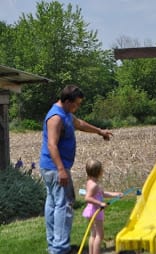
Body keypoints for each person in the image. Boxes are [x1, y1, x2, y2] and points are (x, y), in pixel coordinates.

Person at [39, 84, 113, 254]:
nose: (77, 107)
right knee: (64, 206)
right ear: (66, 101)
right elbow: (52, 145)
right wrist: (61, 170)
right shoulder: (56, 117)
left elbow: (79, 123)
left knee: (53, 204)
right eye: (76, 104)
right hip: (55, 168)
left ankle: (54, 246)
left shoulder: (65, 113)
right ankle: (60, 248)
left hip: (53, 168)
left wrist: (99, 131)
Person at [82, 159, 123, 254]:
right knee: (100, 236)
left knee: (93, 234)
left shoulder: (90, 182)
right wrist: (100, 204)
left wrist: (116, 194)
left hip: (90, 210)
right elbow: (87, 198)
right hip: (95, 211)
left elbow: (102, 194)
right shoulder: (94, 186)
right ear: (99, 172)